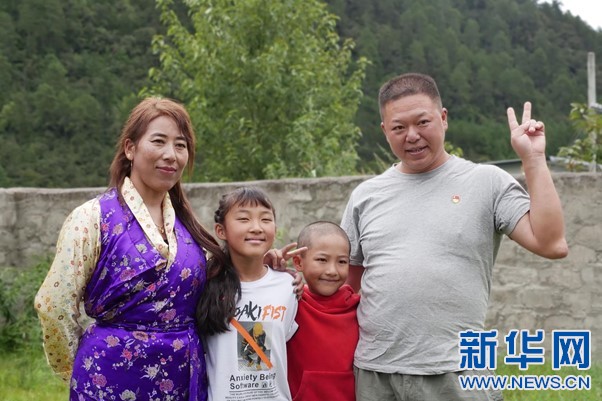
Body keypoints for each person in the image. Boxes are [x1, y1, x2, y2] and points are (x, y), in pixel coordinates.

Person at [34, 97, 300, 401]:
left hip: (181, 377)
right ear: (130, 148)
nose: (171, 155)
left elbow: (220, 279)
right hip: (109, 376)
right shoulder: (92, 218)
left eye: (180, 145)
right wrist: (80, 365)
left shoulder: (189, 228)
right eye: (158, 141)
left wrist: (267, 266)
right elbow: (53, 304)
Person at [340, 73, 568, 401]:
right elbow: (344, 287)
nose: (412, 136)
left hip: (458, 372)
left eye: (422, 122)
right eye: (399, 127)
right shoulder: (366, 196)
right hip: (376, 374)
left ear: (443, 118)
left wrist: (532, 159)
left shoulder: (486, 182)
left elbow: (551, 243)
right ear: (385, 131)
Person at [197, 186, 299, 401]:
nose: (256, 228)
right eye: (244, 219)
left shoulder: (288, 286)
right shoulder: (204, 285)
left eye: (265, 219)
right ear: (221, 231)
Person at [287, 221, 360, 401]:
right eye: (322, 260)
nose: (332, 271)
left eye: (342, 261)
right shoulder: (292, 303)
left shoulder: (358, 308)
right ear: (298, 262)